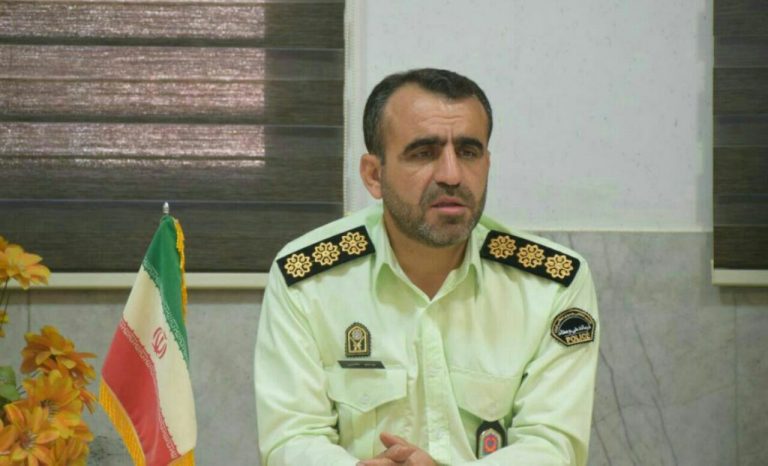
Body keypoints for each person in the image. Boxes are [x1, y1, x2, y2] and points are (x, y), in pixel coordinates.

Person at [254, 68, 600, 466]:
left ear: (487, 163)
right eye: (423, 153)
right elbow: (291, 437)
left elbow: (553, 444)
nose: (452, 175)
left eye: (468, 152)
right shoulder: (306, 278)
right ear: (374, 175)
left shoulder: (554, 284)